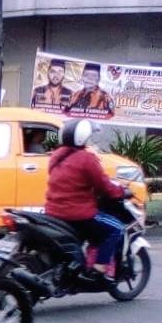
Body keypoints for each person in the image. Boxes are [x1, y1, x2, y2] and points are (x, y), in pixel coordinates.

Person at [44, 119, 129, 278]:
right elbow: (103, 185)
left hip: (53, 212)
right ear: (82, 138)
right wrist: (120, 192)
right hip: (78, 214)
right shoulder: (86, 158)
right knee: (116, 228)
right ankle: (98, 268)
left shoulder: (56, 156)